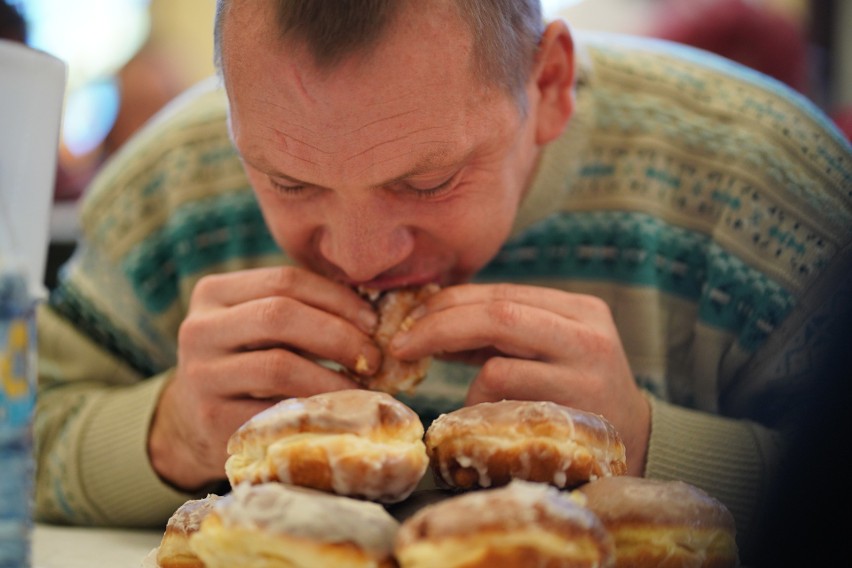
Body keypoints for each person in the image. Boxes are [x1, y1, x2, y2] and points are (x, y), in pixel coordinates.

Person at [33, 0, 851, 564]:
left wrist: (646, 442)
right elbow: (18, 436)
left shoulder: (768, 182)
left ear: (549, 85)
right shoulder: (168, 187)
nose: (358, 256)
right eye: (287, 183)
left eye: (425, 185)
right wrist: (163, 435)